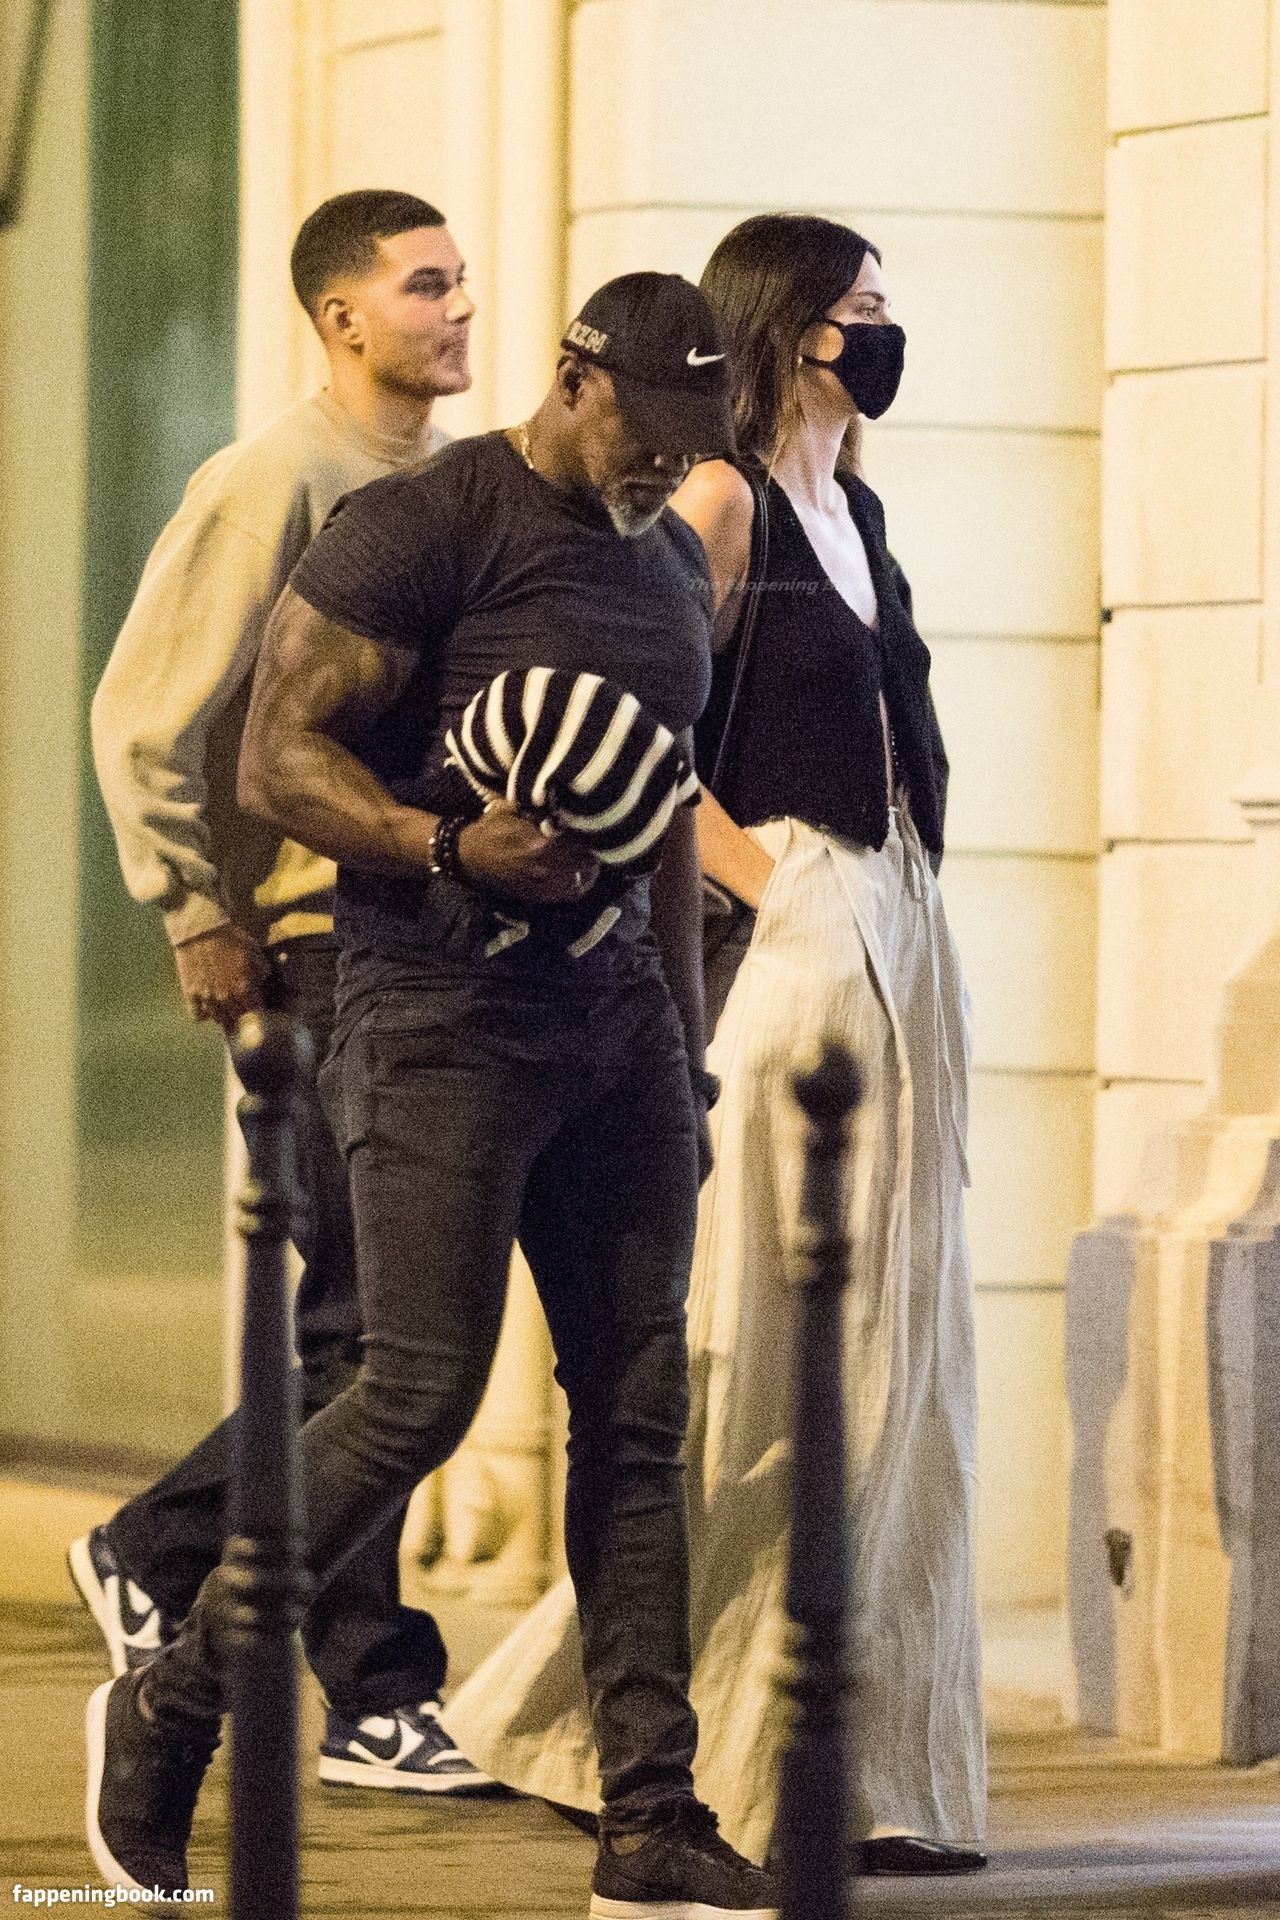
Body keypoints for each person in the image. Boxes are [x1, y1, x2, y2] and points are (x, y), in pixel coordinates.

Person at [84, 270, 781, 1920]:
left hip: (619, 1034)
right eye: (644, 430)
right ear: (575, 380)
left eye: (691, 443)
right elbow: (274, 756)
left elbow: (665, 817)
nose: (661, 466)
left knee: (636, 1417)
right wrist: (446, 843)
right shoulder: (425, 526)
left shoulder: (668, 565)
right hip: (436, 1014)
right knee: (413, 1394)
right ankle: (176, 1704)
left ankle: (652, 1819)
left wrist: (684, 1060)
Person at [442, 212, 988, 1875]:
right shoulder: (723, 500)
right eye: (858, 310)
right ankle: (656, 1738)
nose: (879, 336)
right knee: (771, 1338)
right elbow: (639, 739)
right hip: (801, 929)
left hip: (903, 916)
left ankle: (856, 1759)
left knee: (895, 1357)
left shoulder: (858, 508)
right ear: (787, 325)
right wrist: (777, 882)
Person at [80, 188, 492, 1794]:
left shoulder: (456, 485)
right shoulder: (274, 480)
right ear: (342, 317)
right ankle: (368, 1686)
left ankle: (163, 1552)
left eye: (460, 283)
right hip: (311, 944)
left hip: (421, 940)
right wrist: (194, 912)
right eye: (428, 286)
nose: (460, 310)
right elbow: (142, 716)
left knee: (379, 1331)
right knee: (373, 1335)